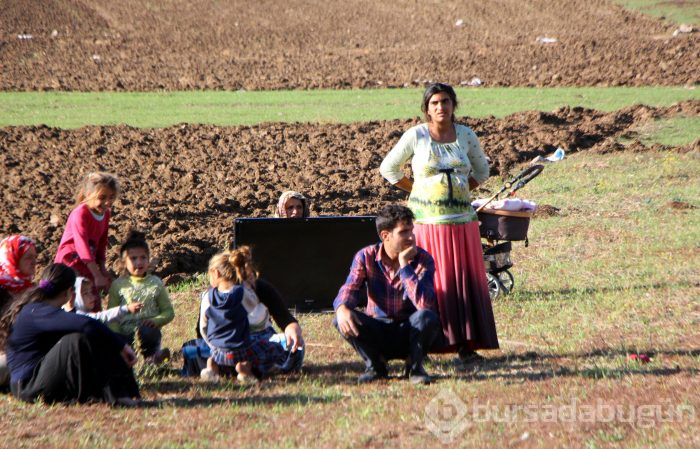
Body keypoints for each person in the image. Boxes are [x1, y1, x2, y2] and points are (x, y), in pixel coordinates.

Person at [379, 83, 499, 361]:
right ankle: (423, 342)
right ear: (426, 109)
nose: (440, 107)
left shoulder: (466, 135)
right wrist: (418, 189)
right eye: (434, 103)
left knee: (462, 283)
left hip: (462, 224)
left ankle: (465, 346)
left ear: (453, 105)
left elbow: (482, 170)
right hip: (427, 224)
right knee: (432, 282)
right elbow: (389, 168)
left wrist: (461, 190)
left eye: (445, 101)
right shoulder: (416, 136)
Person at [0, 264, 140, 405]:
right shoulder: (37, 311)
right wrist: (121, 346)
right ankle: (115, 398)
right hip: (27, 387)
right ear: (68, 292)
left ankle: (127, 395)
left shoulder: (41, 310)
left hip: (38, 380)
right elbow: (87, 324)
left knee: (87, 336)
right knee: (76, 340)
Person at [333, 205, 441, 384]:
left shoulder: (423, 259)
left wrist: (405, 265)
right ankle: (376, 366)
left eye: (412, 230)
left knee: (427, 317)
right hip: (378, 328)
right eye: (404, 232)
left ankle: (414, 367)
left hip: (410, 329)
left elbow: (425, 304)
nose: (411, 237)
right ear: (385, 235)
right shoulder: (365, 256)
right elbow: (349, 288)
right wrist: (342, 307)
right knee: (341, 317)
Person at [199, 247, 300, 382]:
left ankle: (213, 367)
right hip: (243, 345)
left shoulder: (208, 297)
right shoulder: (244, 293)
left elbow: (203, 328)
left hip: (218, 349)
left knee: (203, 352)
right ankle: (247, 368)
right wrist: (250, 289)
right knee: (277, 348)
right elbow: (252, 303)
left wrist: (213, 344)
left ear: (216, 273)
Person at [54, 172, 119, 311]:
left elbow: (102, 242)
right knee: (73, 299)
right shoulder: (81, 213)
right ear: (89, 194)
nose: (107, 202)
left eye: (111, 197)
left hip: (88, 262)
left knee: (93, 302)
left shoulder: (106, 213)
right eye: (102, 197)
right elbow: (81, 244)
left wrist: (102, 269)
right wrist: (96, 274)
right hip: (70, 262)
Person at [108, 231, 174, 363]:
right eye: (133, 258)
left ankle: (153, 357)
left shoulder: (155, 283)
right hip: (125, 334)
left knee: (148, 332)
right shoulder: (118, 285)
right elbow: (112, 317)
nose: (139, 262)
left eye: (143, 257)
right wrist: (117, 337)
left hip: (148, 332)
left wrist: (156, 321)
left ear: (148, 259)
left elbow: (168, 312)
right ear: (124, 261)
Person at [0, 235, 37, 389]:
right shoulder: (1, 291)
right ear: (13, 257)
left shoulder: (32, 291)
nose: (34, 261)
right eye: (28, 257)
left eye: (35, 257)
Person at [64, 276, 143, 324]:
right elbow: (102, 317)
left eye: (91, 292)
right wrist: (126, 309)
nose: (92, 297)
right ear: (74, 296)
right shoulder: (77, 315)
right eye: (85, 294)